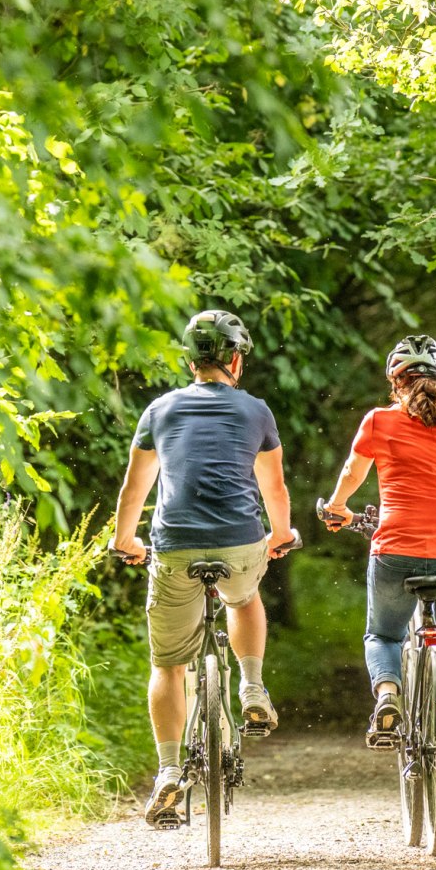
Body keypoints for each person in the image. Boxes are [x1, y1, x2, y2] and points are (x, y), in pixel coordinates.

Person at [112, 309, 295, 826]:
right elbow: (274, 489)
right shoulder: (256, 410)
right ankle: (253, 687)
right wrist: (280, 535)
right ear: (236, 360)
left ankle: (169, 772)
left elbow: (134, 489)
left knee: (169, 664)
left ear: (190, 361)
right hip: (239, 544)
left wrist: (125, 541)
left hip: (173, 549)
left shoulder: (159, 410)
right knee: (244, 596)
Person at [322, 333, 436, 799]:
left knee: (382, 635)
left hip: (396, 550)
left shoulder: (379, 421)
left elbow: (351, 473)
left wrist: (338, 507)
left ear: (394, 381)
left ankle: (388, 694)